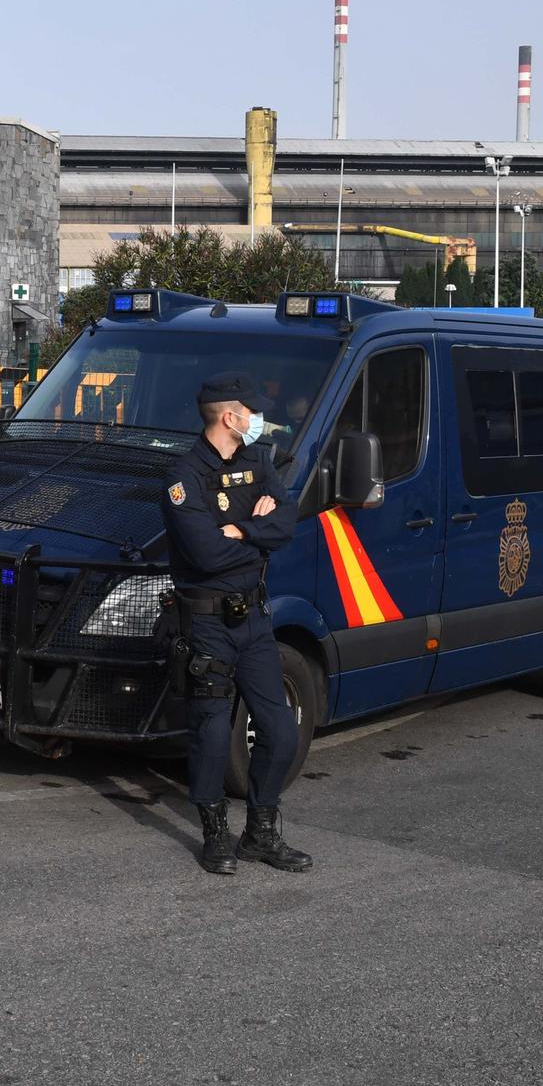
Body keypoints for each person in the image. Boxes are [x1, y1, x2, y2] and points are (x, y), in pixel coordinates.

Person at [160, 372, 314, 877]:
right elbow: (205, 554)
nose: (256, 418)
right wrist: (257, 533)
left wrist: (242, 528)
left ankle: (260, 833)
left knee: (280, 731)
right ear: (231, 417)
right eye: (250, 410)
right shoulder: (184, 476)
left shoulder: (257, 460)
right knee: (209, 732)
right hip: (207, 623)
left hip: (255, 618)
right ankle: (214, 834)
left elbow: (287, 520)